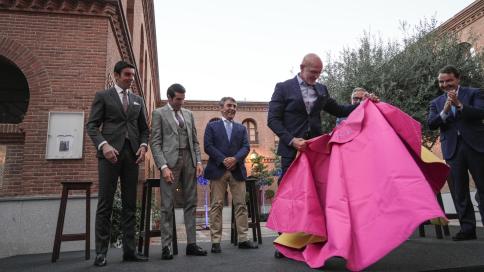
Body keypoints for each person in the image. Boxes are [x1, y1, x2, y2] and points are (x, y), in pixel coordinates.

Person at [268, 53, 377, 258]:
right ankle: (284, 243)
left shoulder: (321, 89)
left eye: (318, 73)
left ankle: (310, 240)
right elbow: (272, 120)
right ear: (302, 67)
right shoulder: (283, 88)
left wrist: (364, 104)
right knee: (291, 197)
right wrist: (292, 140)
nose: (315, 77)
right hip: (292, 150)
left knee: (315, 195)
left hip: (314, 151)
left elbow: (339, 110)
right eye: (312, 72)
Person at [86, 60, 149, 266]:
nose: (131, 79)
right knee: (105, 203)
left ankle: (129, 251)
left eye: (132, 75)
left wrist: (143, 146)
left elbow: (144, 129)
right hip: (109, 156)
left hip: (132, 156)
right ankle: (101, 253)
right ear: (116, 75)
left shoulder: (138, 100)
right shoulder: (103, 96)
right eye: (127, 75)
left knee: (131, 204)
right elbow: (92, 126)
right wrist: (104, 145)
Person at [150, 83, 207, 259]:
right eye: (178, 99)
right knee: (167, 205)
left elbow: (195, 141)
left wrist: (198, 161)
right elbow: (155, 143)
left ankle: (191, 244)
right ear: (169, 98)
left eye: (183, 99)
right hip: (170, 163)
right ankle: (165, 247)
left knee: (191, 202)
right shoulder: (159, 113)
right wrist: (163, 166)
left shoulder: (189, 114)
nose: (181, 102)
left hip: (189, 161)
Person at [428, 65, 484, 241]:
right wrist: (445, 110)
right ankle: (467, 229)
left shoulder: (474, 93)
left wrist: (459, 104)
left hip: (476, 146)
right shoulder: (436, 103)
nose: (445, 84)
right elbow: (431, 124)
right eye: (441, 82)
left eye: (449, 80)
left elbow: (481, 112)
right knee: (459, 191)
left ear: (457, 79)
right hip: (453, 149)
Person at [203, 97, 259, 253]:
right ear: (221, 108)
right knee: (216, 206)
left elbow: (246, 147)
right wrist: (223, 159)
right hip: (217, 170)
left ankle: (243, 239)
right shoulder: (212, 126)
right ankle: (215, 241)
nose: (232, 108)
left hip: (237, 170)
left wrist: (235, 159)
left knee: (241, 205)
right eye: (229, 105)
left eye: (234, 106)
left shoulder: (241, 128)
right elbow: (208, 146)